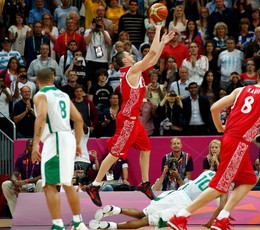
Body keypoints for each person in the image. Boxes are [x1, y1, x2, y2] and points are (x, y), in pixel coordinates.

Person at [167, 65, 260, 230]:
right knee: (220, 185)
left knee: (249, 180)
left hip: (234, 139)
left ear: (257, 76)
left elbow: (214, 108)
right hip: (238, 141)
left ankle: (222, 218)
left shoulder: (240, 90)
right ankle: (181, 216)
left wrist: (220, 128)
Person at [85, 21, 175, 206]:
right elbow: (150, 54)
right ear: (125, 60)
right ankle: (94, 185)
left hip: (135, 121)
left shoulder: (136, 70)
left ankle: (144, 183)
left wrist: (162, 42)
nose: (133, 55)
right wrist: (157, 31)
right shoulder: (131, 71)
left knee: (146, 149)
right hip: (127, 119)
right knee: (116, 153)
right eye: (129, 54)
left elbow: (153, 58)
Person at [31, 68, 88, 230]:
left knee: (49, 184)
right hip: (68, 138)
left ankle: (58, 225)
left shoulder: (40, 95)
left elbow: (41, 116)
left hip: (55, 139)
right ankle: (78, 222)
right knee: (67, 182)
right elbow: (78, 120)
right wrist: (77, 143)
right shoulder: (63, 95)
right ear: (53, 79)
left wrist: (35, 144)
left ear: (37, 81)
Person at [88, 170, 227, 229]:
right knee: (145, 222)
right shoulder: (224, 186)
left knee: (143, 213)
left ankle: (115, 209)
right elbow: (221, 208)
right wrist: (210, 223)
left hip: (174, 193)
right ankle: (110, 226)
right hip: (183, 204)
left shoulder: (208, 172)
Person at [1, 139, 42, 217]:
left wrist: (26, 181)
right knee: (6, 184)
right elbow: (14, 174)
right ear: (26, 147)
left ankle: (38, 216)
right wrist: (15, 181)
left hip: (36, 186)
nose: (33, 148)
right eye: (31, 146)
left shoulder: (42, 159)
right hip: (23, 186)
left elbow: (43, 175)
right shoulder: (21, 158)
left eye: (35, 146)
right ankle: (16, 217)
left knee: (41, 182)